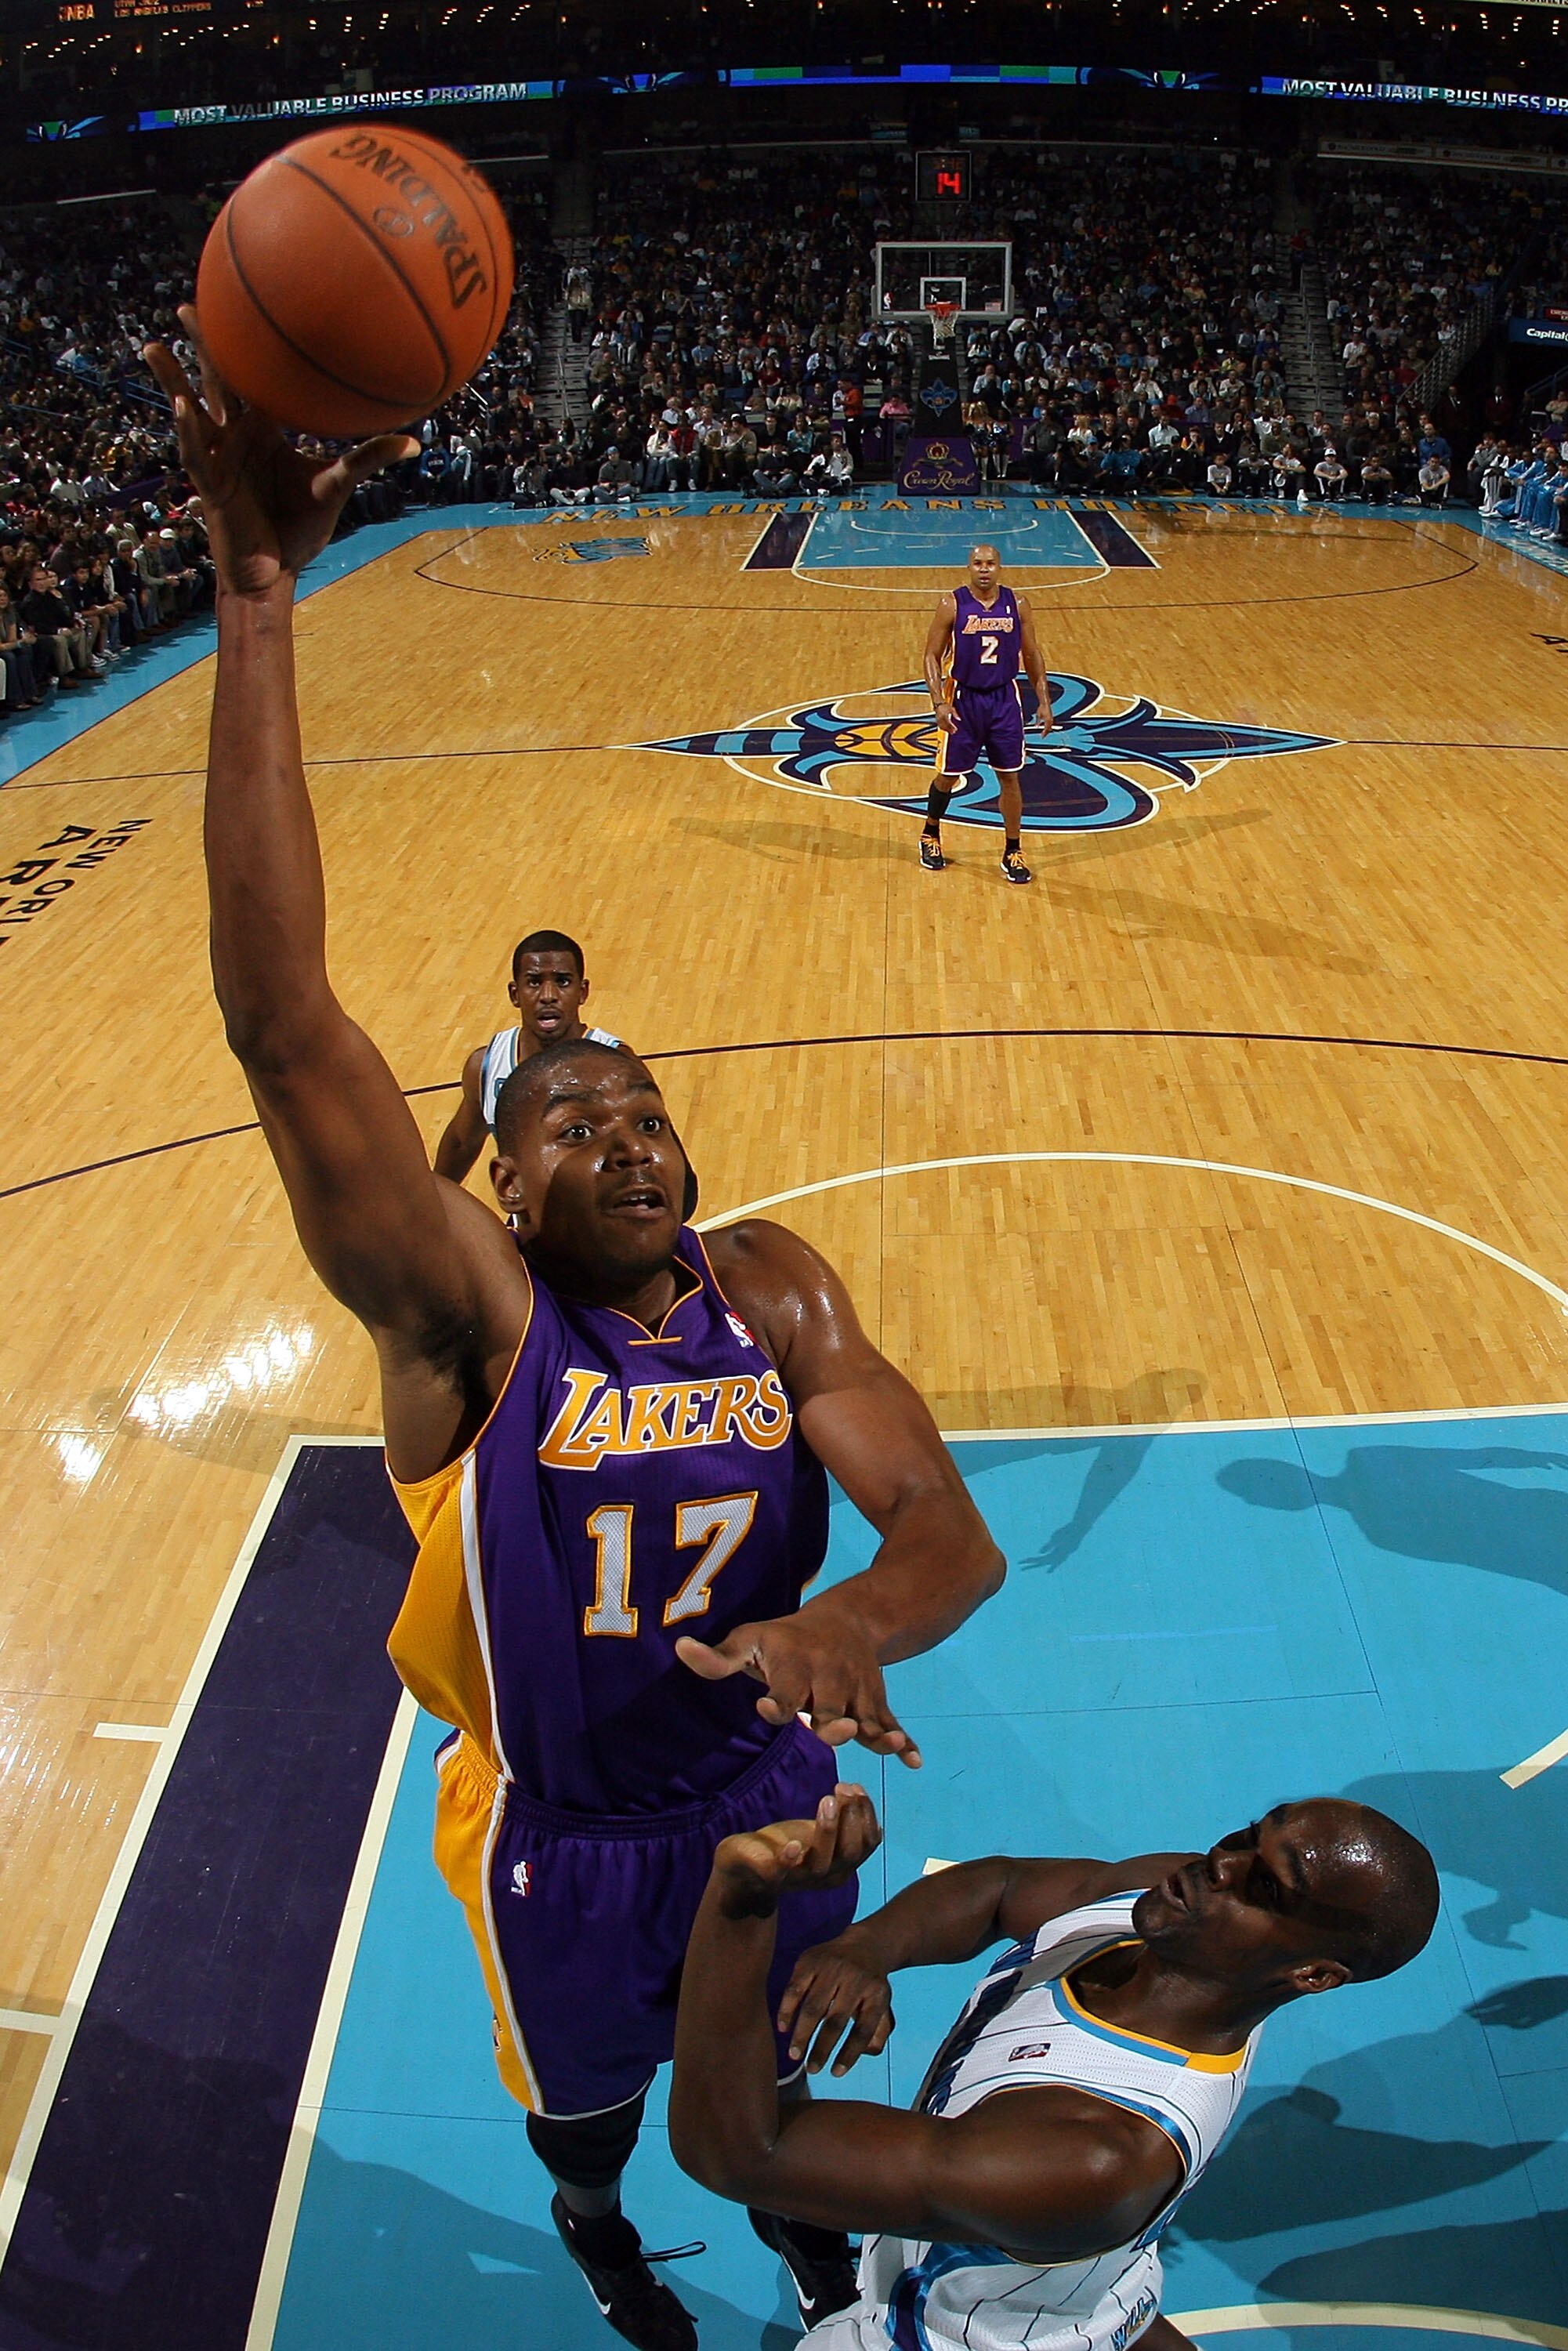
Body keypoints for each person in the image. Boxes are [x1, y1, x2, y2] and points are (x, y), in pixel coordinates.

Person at [146, 313, 1006, 2351]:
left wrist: (845, 1626)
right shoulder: (474, 1322)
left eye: (643, 1108)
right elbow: (283, 1027)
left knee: (777, 2090)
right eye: (567, 1124)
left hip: (770, 1797)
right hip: (576, 1836)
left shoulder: (773, 1284)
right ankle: (607, 2240)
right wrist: (256, 606)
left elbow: (949, 1539)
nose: (622, 1132)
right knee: (596, 2122)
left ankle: (799, 2237)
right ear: (502, 1187)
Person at [668, 1788, 1439, 2349]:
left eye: (1266, 1886)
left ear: (1313, 1974)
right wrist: (865, 1947)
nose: (1221, 1864)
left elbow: (739, 2153)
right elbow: (999, 1888)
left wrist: (741, 1902)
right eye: (1246, 1835)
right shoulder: (1172, 1905)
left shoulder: (1090, 2155)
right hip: (1084, 2291)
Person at [434, 931, 626, 1186]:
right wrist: (426, 1203)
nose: (548, 995)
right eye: (534, 982)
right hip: (527, 1209)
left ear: (582, 992)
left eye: (562, 981)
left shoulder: (616, 1065)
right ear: (515, 994)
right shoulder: (485, 1066)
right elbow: (461, 1144)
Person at [921, 543, 1053, 887]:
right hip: (963, 699)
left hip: (1004, 700)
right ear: (969, 567)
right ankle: (930, 832)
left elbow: (1032, 653)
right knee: (948, 775)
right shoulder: (952, 604)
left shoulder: (1017, 604)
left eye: (990, 563)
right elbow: (931, 656)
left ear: (999, 567)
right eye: (978, 563)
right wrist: (938, 703)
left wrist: (1044, 700)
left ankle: (1013, 849)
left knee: (1010, 777)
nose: (984, 569)